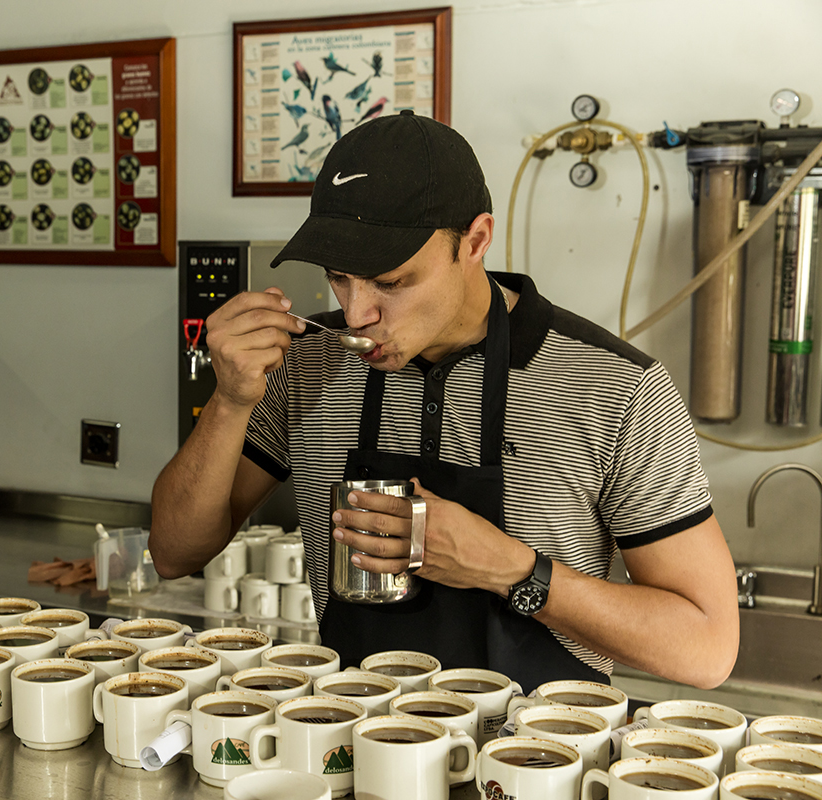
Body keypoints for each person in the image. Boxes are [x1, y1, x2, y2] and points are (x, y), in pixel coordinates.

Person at [150, 110, 739, 692]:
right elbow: (174, 552)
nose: (358, 315)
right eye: (340, 277)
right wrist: (228, 400)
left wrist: (509, 569)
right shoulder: (306, 364)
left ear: (476, 240)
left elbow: (707, 648)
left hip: (539, 760)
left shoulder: (613, 385)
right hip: (355, 745)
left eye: (392, 282)